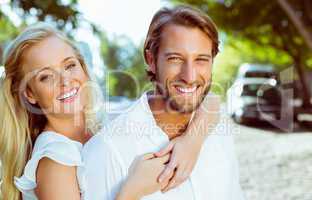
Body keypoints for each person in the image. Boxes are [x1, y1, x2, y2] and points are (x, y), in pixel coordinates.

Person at [83, 5, 245, 200]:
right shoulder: (107, 149)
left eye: (201, 59)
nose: (190, 76)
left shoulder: (219, 129)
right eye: (175, 59)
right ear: (151, 60)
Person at [0, 23, 172, 200]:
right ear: (30, 93)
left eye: (69, 66)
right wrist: (133, 189)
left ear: (82, 67)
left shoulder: (98, 129)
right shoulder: (55, 160)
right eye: (46, 77)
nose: (65, 81)